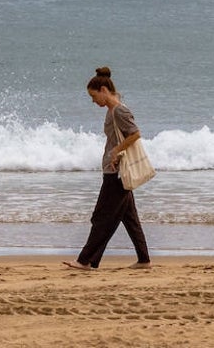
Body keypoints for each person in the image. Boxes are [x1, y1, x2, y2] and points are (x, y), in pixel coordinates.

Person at [63, 66, 152, 270]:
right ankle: (144, 260)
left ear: (103, 90)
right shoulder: (112, 111)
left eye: (94, 96)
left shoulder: (120, 110)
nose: (94, 102)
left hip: (117, 173)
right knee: (129, 218)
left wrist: (116, 152)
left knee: (101, 217)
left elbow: (135, 133)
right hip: (114, 171)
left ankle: (85, 260)